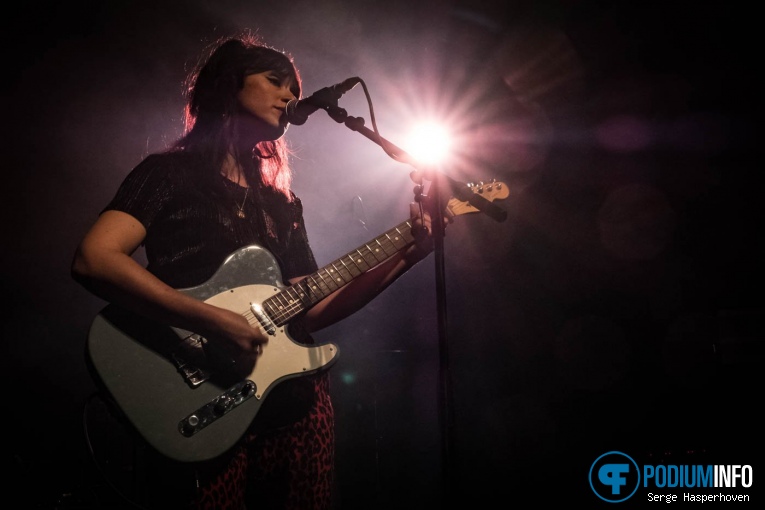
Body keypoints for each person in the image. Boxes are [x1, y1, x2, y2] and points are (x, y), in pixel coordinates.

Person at [71, 31, 441, 509]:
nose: (292, 96)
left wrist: (410, 252)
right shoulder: (166, 176)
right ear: (229, 85)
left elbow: (310, 307)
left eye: (295, 88)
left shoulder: (281, 202)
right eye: (275, 81)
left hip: (296, 406)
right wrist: (208, 318)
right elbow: (94, 259)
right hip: (206, 400)